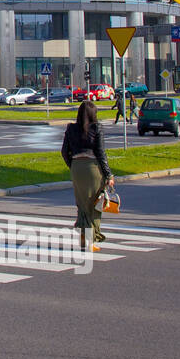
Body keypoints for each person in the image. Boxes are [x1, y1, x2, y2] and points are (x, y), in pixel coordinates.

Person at [61, 100, 112, 252]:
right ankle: (91, 241)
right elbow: (101, 153)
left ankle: (83, 238)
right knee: (95, 204)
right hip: (93, 168)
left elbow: (64, 151)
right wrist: (108, 174)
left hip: (77, 168)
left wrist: (73, 165)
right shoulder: (97, 128)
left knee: (82, 204)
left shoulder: (71, 128)